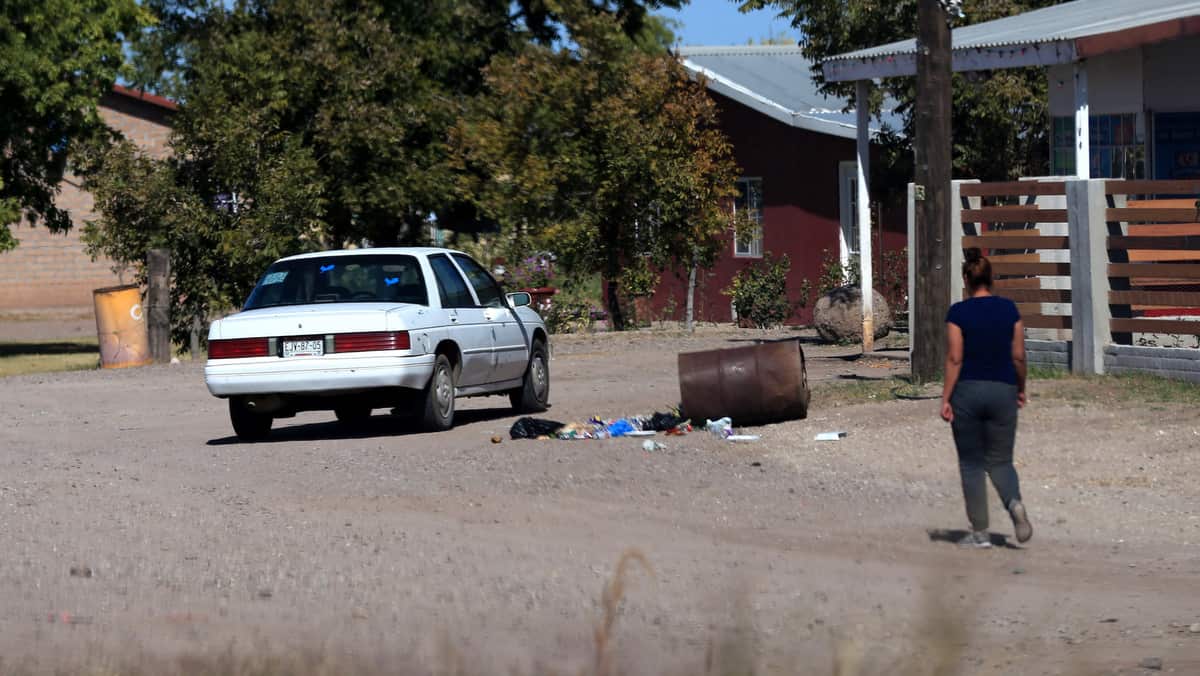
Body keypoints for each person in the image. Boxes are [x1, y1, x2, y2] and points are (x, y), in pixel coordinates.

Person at [941, 248, 1033, 548]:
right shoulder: (1009, 310)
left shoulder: (958, 313)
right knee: (1001, 461)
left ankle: (979, 531)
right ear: (991, 278)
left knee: (971, 463)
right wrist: (1020, 387)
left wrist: (945, 397)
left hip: (967, 392)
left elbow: (955, 358)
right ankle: (1014, 504)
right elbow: (1018, 356)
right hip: (1003, 390)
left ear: (966, 279)